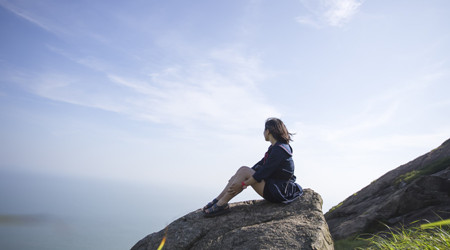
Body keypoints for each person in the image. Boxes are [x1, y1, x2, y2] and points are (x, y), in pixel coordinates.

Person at [202, 118, 303, 217]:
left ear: (268, 131)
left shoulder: (279, 150)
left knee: (244, 171)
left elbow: (263, 172)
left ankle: (221, 204)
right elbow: (259, 165)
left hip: (278, 192)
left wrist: (243, 183)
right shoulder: (276, 147)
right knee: (243, 170)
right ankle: (218, 200)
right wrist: (237, 177)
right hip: (273, 186)